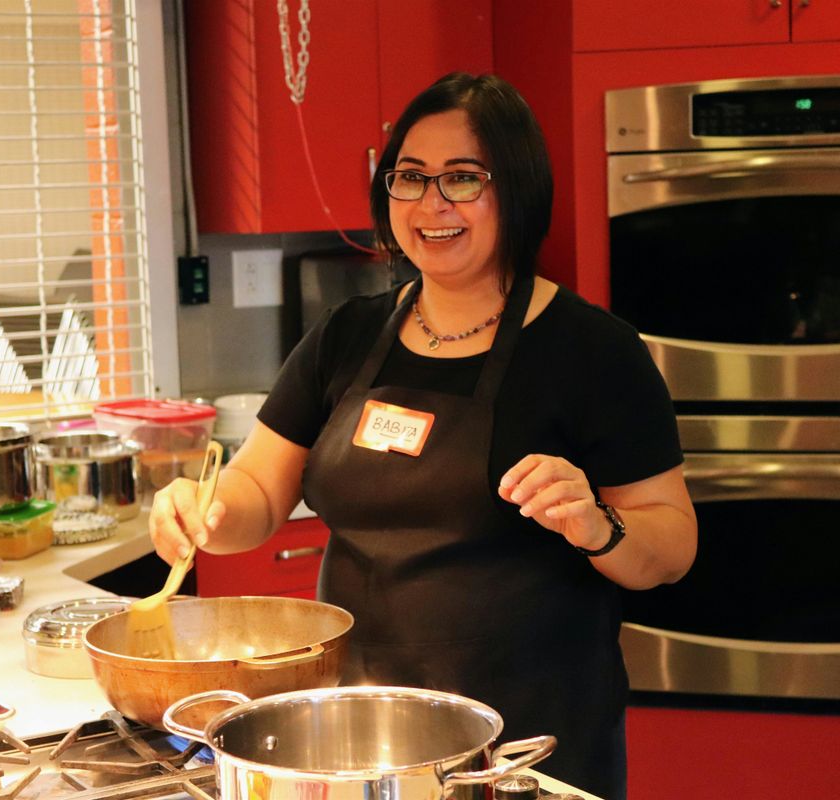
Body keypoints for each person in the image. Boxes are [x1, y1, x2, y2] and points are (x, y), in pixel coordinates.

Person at [149, 72, 697, 799]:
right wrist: (204, 511)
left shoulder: (593, 352)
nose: (432, 203)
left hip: (525, 749)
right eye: (410, 177)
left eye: (463, 179)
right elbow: (256, 490)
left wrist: (599, 526)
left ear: (518, 190)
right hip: (358, 738)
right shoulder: (347, 336)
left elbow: (673, 547)